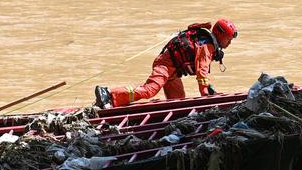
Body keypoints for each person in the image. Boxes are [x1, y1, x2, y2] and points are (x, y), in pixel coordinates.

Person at [94, 19, 238, 109]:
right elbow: (202, 72)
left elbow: (202, 72)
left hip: (173, 72)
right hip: (165, 65)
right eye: (228, 39)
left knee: (178, 104)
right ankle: (108, 94)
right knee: (149, 90)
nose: (229, 43)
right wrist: (206, 96)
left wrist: (208, 88)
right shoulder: (207, 46)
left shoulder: (205, 41)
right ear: (220, 35)